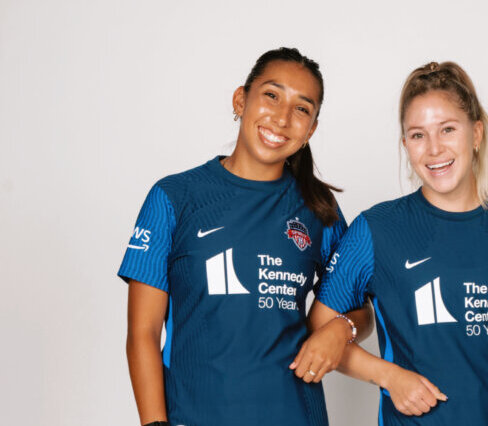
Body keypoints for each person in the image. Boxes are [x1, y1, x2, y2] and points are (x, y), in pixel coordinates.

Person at [304, 61, 488, 425]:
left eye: (447, 129)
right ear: (405, 145)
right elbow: (320, 331)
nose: (434, 149)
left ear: (476, 133)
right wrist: (388, 376)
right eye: (418, 135)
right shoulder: (376, 229)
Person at [118, 47, 372, 426]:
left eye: (302, 109)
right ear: (241, 100)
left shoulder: (319, 209)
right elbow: (144, 332)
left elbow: (362, 311)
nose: (282, 118)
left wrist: (342, 329)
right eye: (271, 95)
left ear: (311, 129)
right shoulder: (174, 197)